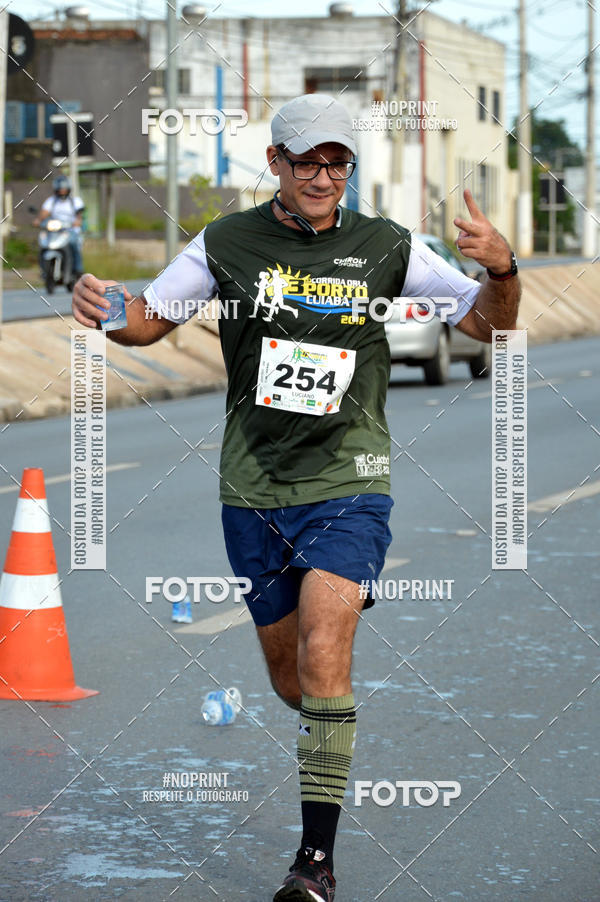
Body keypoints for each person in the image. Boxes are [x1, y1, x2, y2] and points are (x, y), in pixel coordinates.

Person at [72, 93, 520, 902]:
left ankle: (314, 863)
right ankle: (328, 720)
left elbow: (490, 327)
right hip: (252, 487)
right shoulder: (226, 242)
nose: (323, 176)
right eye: (307, 160)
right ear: (275, 164)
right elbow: (145, 323)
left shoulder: (386, 245)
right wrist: (99, 305)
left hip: (349, 482)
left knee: (324, 651)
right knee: (297, 682)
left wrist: (503, 269)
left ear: (351, 167)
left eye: (337, 161)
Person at [34, 175, 85, 277]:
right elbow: (44, 213)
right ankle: (43, 270)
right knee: (43, 245)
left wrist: (78, 221)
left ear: (68, 189)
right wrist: (38, 220)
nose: (62, 191)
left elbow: (79, 216)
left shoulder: (75, 201)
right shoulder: (51, 201)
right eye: (60, 189)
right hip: (55, 230)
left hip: (70, 229)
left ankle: (78, 269)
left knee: (73, 243)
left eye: (64, 189)